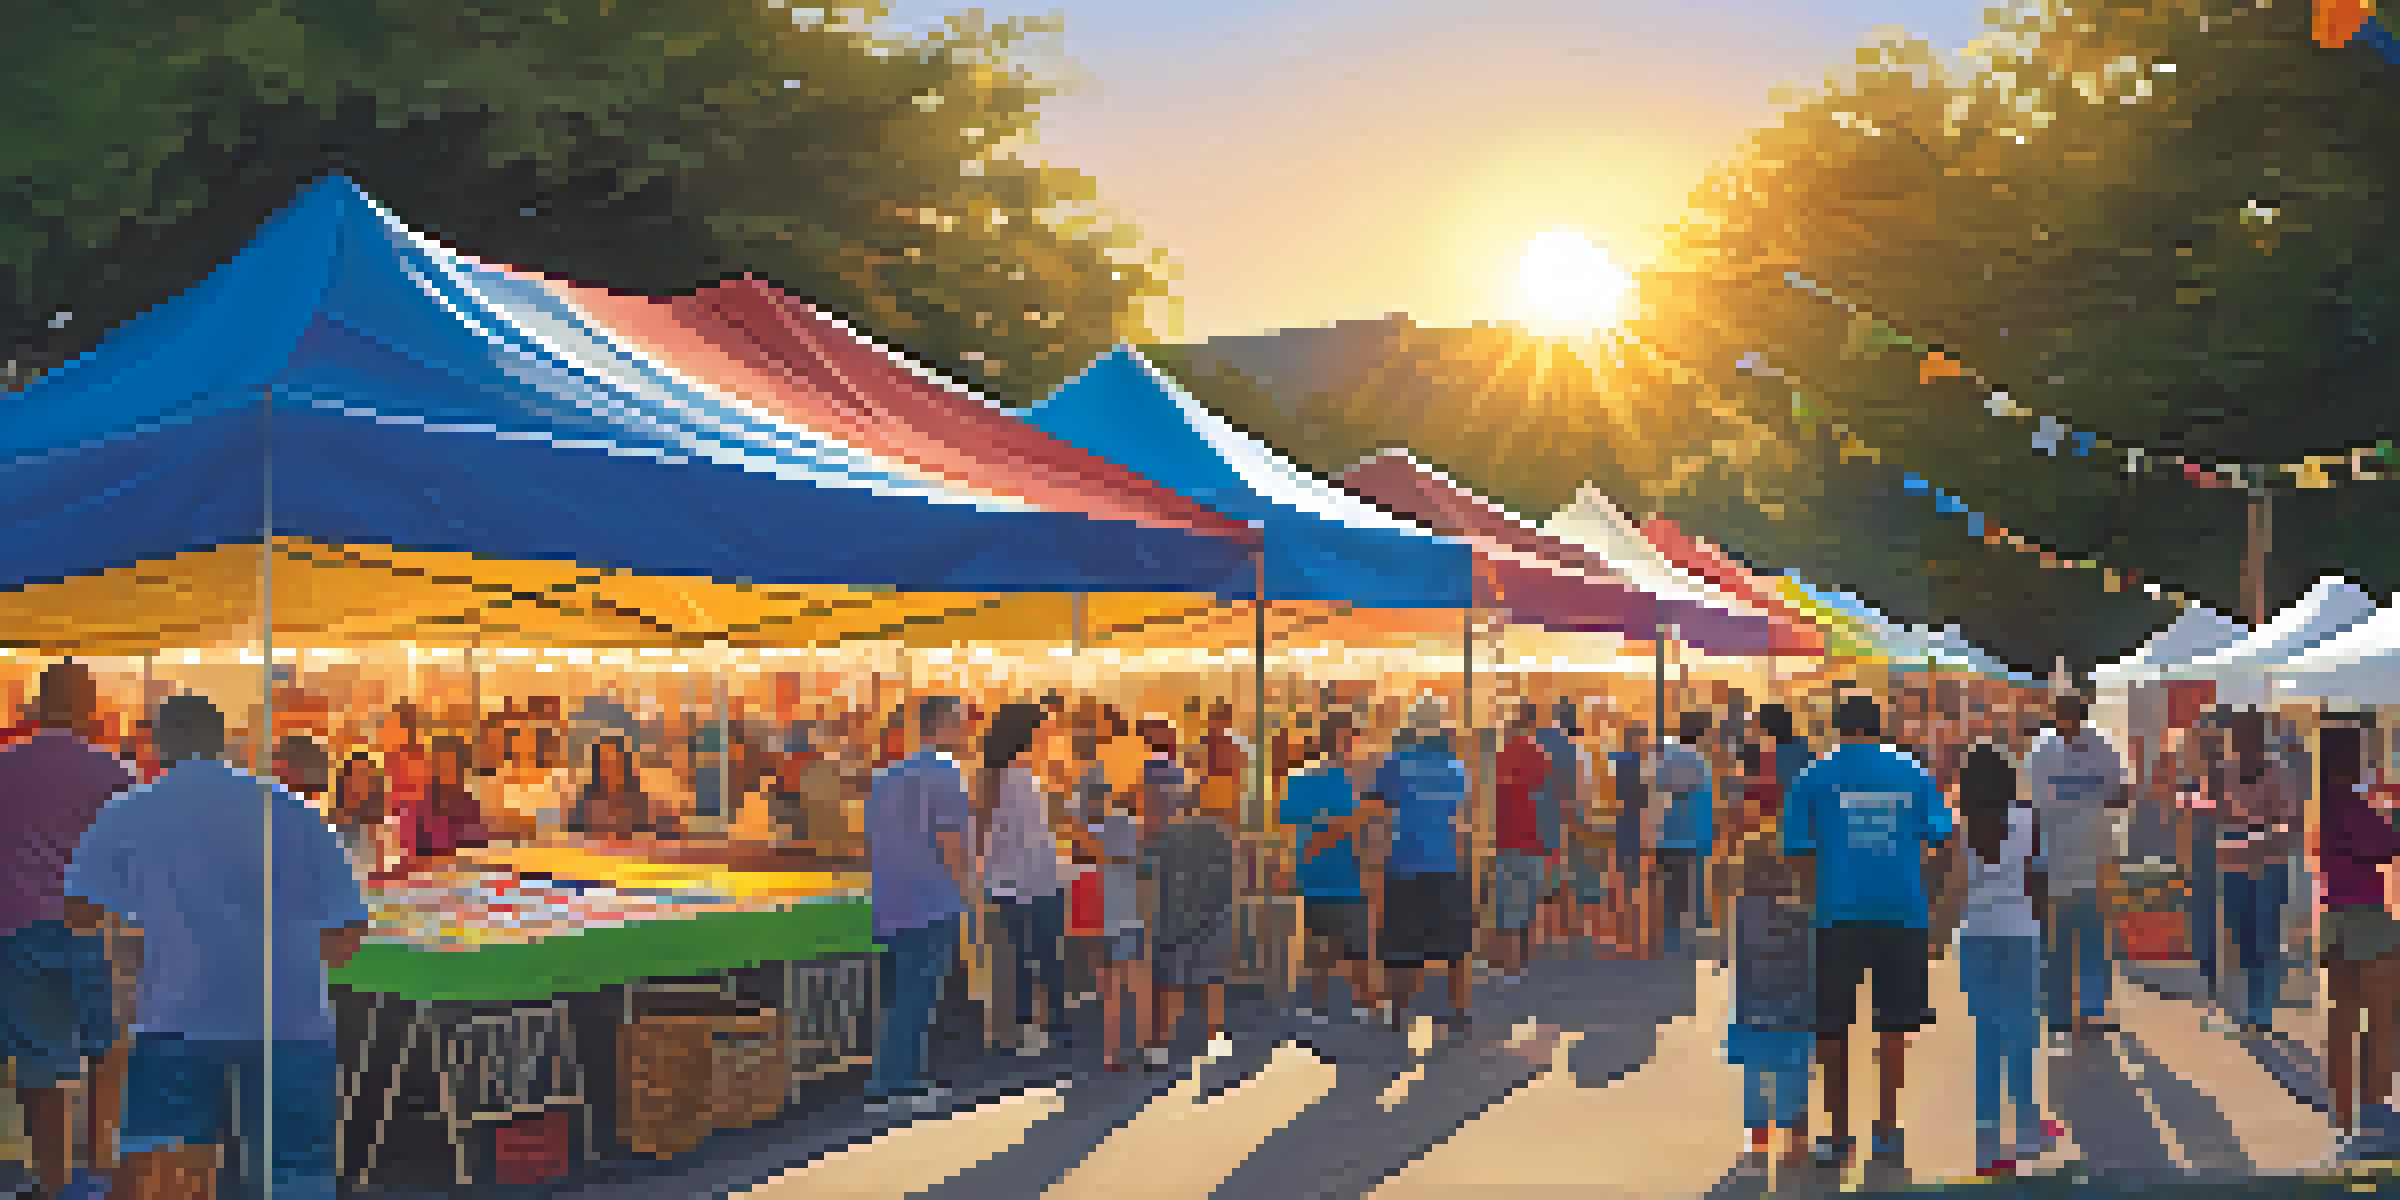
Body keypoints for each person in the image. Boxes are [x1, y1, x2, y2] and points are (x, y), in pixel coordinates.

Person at [68, 693, 369, 1200]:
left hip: (173, 1017)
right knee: (295, 1174)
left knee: (169, 1175)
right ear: (223, 740)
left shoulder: (127, 813)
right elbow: (346, 934)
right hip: (287, 1017)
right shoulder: (292, 810)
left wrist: (138, 931)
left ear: (160, 743)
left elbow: (80, 914)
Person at [1784, 695, 1956, 1168]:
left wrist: (1810, 898)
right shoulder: (1913, 773)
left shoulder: (1813, 777)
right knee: (1895, 1026)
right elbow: (1942, 840)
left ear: (1838, 728)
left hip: (1835, 914)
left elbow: (1797, 850)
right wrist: (1927, 891)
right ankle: (1886, 1130)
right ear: (1879, 727)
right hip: (1902, 911)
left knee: (1831, 1027)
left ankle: (1838, 1135)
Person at [0, 663, 133, 1200]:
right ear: (88, 707)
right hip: (92, 926)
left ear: (39, 704)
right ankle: (100, 1169)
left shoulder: (5, 767)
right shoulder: (112, 772)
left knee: (38, 1059)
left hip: (18, 926)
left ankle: (51, 1182)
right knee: (108, 1049)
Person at [1953, 744, 2062, 1176]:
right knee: (2021, 1034)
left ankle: (1987, 1142)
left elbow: (1953, 886)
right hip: (2020, 933)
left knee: (1986, 1038)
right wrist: (2044, 931)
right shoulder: (2028, 821)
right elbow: (2038, 881)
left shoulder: (1959, 829)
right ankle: (2030, 1128)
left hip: (1976, 935)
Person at [866, 696, 976, 1112]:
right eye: (961, 723)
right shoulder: (947, 774)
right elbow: (952, 843)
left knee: (900, 994)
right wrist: (966, 887)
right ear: (944, 725)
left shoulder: (887, 776)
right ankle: (898, 1083)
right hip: (931, 897)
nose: (966, 731)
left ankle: (891, 1078)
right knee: (919, 994)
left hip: (892, 897)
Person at [2024, 693, 2127, 1037]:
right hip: (2056, 856)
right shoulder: (2042, 750)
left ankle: (2092, 1009)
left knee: (2093, 934)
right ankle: (2058, 1013)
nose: (2064, 722)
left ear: (2080, 716)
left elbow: (2122, 793)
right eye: (2060, 716)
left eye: (2070, 716)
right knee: (2059, 938)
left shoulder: (2102, 746)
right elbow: (2034, 806)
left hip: (2095, 853)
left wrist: (2093, 800)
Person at [2318, 718, 2400, 1151]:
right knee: (2384, 1016)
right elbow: (2386, 844)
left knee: (2342, 1015)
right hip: (2365, 914)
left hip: (2332, 913)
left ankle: (2344, 1113)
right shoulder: (2351, 806)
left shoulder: (2323, 803)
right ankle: (2374, 1106)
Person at [1374, 696, 1475, 1035]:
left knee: (1402, 946)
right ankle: (1459, 1012)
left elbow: (1381, 809)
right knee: (1455, 947)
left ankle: (1398, 1012)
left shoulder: (1394, 764)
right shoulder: (1457, 768)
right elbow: (1459, 812)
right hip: (1446, 862)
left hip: (1404, 861)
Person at [976, 702, 1072, 1056]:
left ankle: (1049, 1024)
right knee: (1026, 958)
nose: (1047, 735)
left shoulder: (1024, 773)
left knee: (1041, 956)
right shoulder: (995, 776)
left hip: (1036, 875)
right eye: (1042, 729)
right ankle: (1030, 1027)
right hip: (1012, 878)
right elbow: (982, 827)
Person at [1723, 826, 1814, 1175]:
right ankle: (1796, 1148)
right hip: (1794, 1016)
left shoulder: (1743, 912)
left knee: (1756, 1084)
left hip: (1753, 1016)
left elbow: (1739, 966)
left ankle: (1758, 1149)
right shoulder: (1802, 911)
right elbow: (1810, 965)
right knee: (1794, 1082)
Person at [1284, 710, 1379, 1023]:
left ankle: (1318, 1006)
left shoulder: (1297, 778)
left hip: (1311, 873)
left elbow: (1288, 824)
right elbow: (1351, 828)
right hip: (1342, 873)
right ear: (1341, 740)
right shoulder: (1343, 780)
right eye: (1352, 737)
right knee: (1355, 946)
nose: (1356, 743)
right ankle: (1365, 1004)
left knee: (1320, 943)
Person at [2217, 711, 2298, 1035]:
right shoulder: (2228, 771)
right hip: (2234, 863)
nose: (2238, 740)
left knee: (2266, 936)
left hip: (2269, 863)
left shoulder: (2278, 771)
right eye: (2235, 734)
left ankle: (2261, 1010)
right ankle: (2250, 1003)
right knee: (2241, 934)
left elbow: (2289, 821)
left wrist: (2258, 835)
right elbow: (2222, 814)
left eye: (2244, 734)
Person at [1490, 701, 1553, 986]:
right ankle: (1523, 962)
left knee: (1509, 906)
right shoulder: (1541, 754)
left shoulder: (1504, 753)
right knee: (1527, 906)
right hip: (1535, 839)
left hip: (1509, 838)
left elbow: (1495, 794)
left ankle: (1510, 968)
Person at [1655, 711, 1716, 958]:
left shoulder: (1666, 756)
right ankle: (1683, 942)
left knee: (1671, 890)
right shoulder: (1696, 760)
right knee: (1690, 891)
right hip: (1691, 835)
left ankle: (1671, 938)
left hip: (1667, 832)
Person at [1534, 699, 1587, 953]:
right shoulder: (1571, 749)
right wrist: (1578, 817)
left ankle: (1536, 931)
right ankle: (1567, 930)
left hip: (1532, 819)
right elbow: (1575, 787)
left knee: (1536, 875)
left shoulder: (1538, 740)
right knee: (1562, 875)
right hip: (1560, 819)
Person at [1612, 722, 1656, 959]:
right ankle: (1642, 939)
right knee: (1643, 886)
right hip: (1642, 828)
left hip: (1627, 828)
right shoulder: (1647, 765)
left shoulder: (1621, 762)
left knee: (1629, 887)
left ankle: (1630, 938)